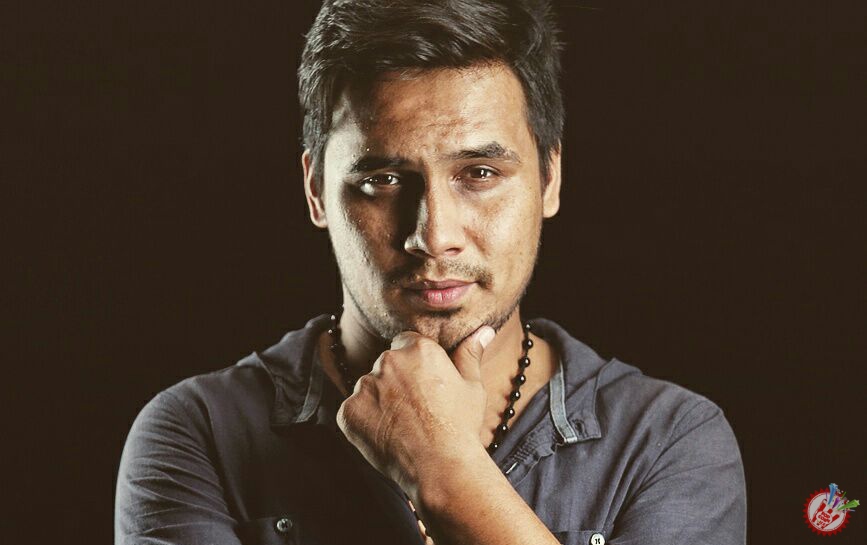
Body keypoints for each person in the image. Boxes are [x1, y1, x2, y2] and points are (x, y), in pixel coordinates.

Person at [115, 1, 746, 543]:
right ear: (315, 190)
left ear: (549, 179)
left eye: (480, 174)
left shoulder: (668, 441)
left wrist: (447, 474)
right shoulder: (198, 434)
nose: (433, 235)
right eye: (383, 180)